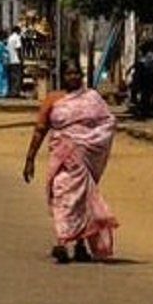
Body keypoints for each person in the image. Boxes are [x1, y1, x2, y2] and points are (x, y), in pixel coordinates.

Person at [22, 58, 118, 263]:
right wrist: (30, 159)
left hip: (86, 159)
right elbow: (40, 130)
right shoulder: (53, 99)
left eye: (77, 73)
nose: (73, 77)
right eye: (69, 73)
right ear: (61, 75)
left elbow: (107, 123)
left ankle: (80, 245)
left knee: (82, 201)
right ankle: (62, 242)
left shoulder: (92, 98)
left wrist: (89, 143)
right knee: (63, 196)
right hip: (63, 159)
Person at [6, 25, 24, 98]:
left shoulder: (10, 38)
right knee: (17, 77)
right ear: (17, 31)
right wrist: (21, 58)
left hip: (10, 60)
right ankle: (16, 92)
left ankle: (11, 91)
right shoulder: (17, 37)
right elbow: (18, 48)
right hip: (16, 60)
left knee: (12, 77)